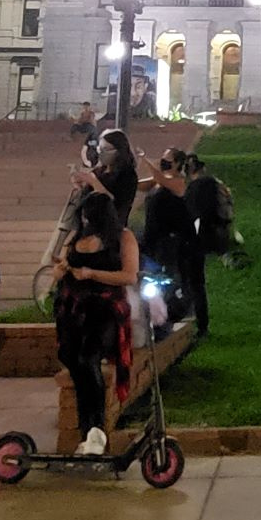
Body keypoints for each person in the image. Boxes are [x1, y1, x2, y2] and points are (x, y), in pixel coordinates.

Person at [51, 188, 136, 456]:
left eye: (90, 216)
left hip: (104, 309)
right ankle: (85, 427)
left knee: (89, 359)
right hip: (74, 309)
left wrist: (92, 274)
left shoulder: (122, 238)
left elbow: (129, 275)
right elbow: (62, 267)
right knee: (70, 357)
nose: (86, 220)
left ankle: (96, 428)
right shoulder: (78, 238)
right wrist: (61, 270)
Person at [140, 149, 211, 336]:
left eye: (167, 159)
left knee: (192, 283)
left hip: (185, 243)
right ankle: (166, 319)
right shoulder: (160, 181)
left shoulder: (179, 182)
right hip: (163, 243)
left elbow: (161, 179)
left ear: (178, 163)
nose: (163, 161)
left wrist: (144, 159)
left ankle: (200, 324)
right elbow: (140, 185)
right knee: (167, 281)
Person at [73, 127, 140, 227]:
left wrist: (94, 183)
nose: (101, 152)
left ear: (119, 151)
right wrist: (80, 184)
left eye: (106, 149)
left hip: (110, 228)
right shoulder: (99, 170)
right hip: (89, 225)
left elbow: (117, 205)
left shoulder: (128, 175)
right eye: (100, 148)